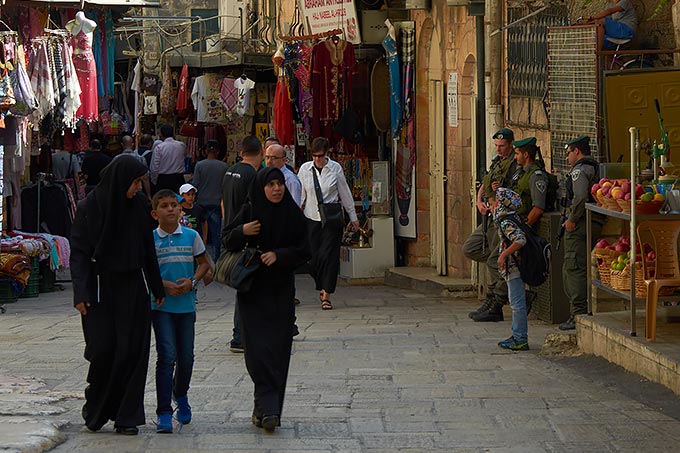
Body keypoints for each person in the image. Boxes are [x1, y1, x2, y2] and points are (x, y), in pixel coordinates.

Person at [69, 156, 165, 435]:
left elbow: (147, 249)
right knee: (104, 350)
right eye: (135, 182)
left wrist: (156, 286)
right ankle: (97, 407)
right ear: (121, 180)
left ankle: (127, 416)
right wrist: (81, 292)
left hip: (133, 288)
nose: (138, 188)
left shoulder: (137, 207)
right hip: (101, 289)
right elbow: (80, 253)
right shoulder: (90, 208)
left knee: (133, 352)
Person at [222, 167, 310, 432]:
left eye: (279, 183)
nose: (276, 189)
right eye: (270, 184)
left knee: (278, 351)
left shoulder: (292, 214)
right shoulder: (250, 211)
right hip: (253, 291)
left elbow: (305, 250)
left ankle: (270, 410)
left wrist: (279, 256)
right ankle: (264, 405)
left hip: (281, 292)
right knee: (257, 353)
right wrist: (243, 231)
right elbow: (227, 240)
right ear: (261, 188)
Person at [150, 189, 210, 433]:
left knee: (187, 356)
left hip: (186, 306)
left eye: (174, 205)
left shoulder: (191, 236)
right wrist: (163, 285)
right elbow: (146, 271)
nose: (171, 209)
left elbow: (204, 263)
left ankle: (181, 393)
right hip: (161, 305)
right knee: (167, 355)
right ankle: (164, 411)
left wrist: (192, 282)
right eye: (164, 206)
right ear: (155, 213)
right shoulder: (150, 240)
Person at [464, 128, 518, 322]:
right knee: (471, 248)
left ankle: (495, 300)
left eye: (502, 146)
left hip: (502, 218)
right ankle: (501, 288)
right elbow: (486, 182)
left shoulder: (515, 163)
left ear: (511, 144)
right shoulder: (497, 162)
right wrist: (479, 200)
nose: (499, 149)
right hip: (489, 217)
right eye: (496, 145)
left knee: (495, 260)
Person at [299, 137, 359, 310]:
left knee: (330, 257)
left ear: (327, 154)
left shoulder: (335, 169)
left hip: (331, 220)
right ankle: (320, 283)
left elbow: (344, 192)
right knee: (313, 257)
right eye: (315, 156)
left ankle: (327, 293)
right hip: (312, 218)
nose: (317, 159)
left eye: (321, 156)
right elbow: (301, 195)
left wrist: (353, 216)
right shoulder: (305, 169)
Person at [222, 136, 263, 353]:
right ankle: (240, 336)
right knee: (247, 285)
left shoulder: (230, 171)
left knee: (245, 285)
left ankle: (244, 334)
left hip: (232, 231)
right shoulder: (252, 176)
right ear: (261, 152)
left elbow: (223, 202)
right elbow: (255, 207)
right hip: (246, 235)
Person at [560, 136, 603, 331]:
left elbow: (579, 197)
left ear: (577, 151)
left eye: (568, 153)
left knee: (574, 266)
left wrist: (571, 220)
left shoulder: (579, 171)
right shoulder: (594, 167)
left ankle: (577, 313)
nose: (567, 158)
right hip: (591, 223)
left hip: (581, 225)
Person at [488, 188, 530, 351]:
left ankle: (520, 338)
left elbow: (520, 239)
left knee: (517, 303)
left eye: (491, 204)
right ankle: (517, 334)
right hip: (516, 265)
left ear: (499, 203)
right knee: (516, 302)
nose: (490, 208)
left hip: (514, 267)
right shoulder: (514, 217)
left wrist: (503, 255)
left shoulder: (506, 221)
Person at [192, 140, 228, 261]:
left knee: (201, 233)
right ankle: (216, 258)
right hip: (216, 202)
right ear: (217, 152)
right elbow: (225, 186)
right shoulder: (224, 166)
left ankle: (200, 259)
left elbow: (195, 183)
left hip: (202, 201)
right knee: (216, 232)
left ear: (206, 151)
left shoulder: (200, 165)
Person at [512, 137, 548, 227]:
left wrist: (525, 228)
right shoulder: (521, 172)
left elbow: (538, 208)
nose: (515, 157)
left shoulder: (536, 176)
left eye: (517, 154)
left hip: (527, 224)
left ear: (526, 155)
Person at [150, 124, 187, 194]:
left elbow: (154, 167)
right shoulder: (181, 145)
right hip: (178, 178)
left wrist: (154, 181)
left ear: (161, 134)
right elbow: (185, 156)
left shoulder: (159, 148)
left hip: (164, 179)